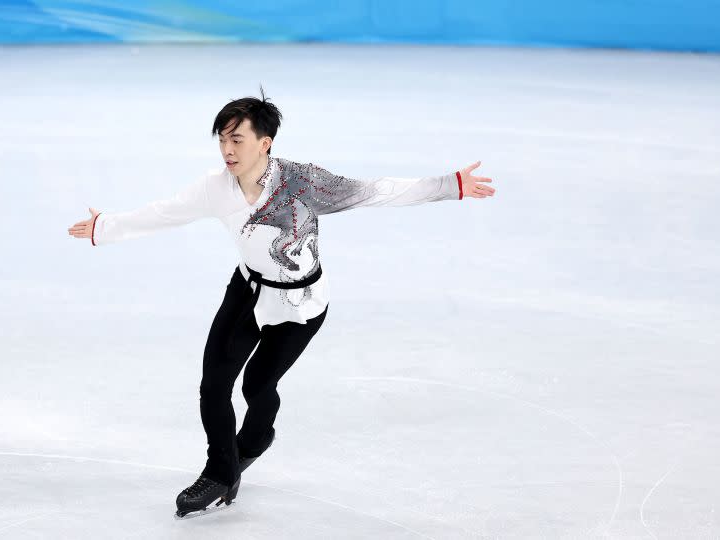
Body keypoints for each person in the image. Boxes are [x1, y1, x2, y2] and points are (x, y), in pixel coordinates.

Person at [67, 90, 495, 519]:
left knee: (256, 386)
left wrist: (450, 185)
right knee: (213, 385)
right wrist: (104, 227)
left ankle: (251, 444)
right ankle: (219, 472)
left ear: (264, 143)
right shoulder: (215, 188)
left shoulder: (300, 183)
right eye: (222, 139)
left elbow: (373, 191)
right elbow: (164, 212)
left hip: (300, 305)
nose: (227, 150)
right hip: (246, 292)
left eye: (237, 139)